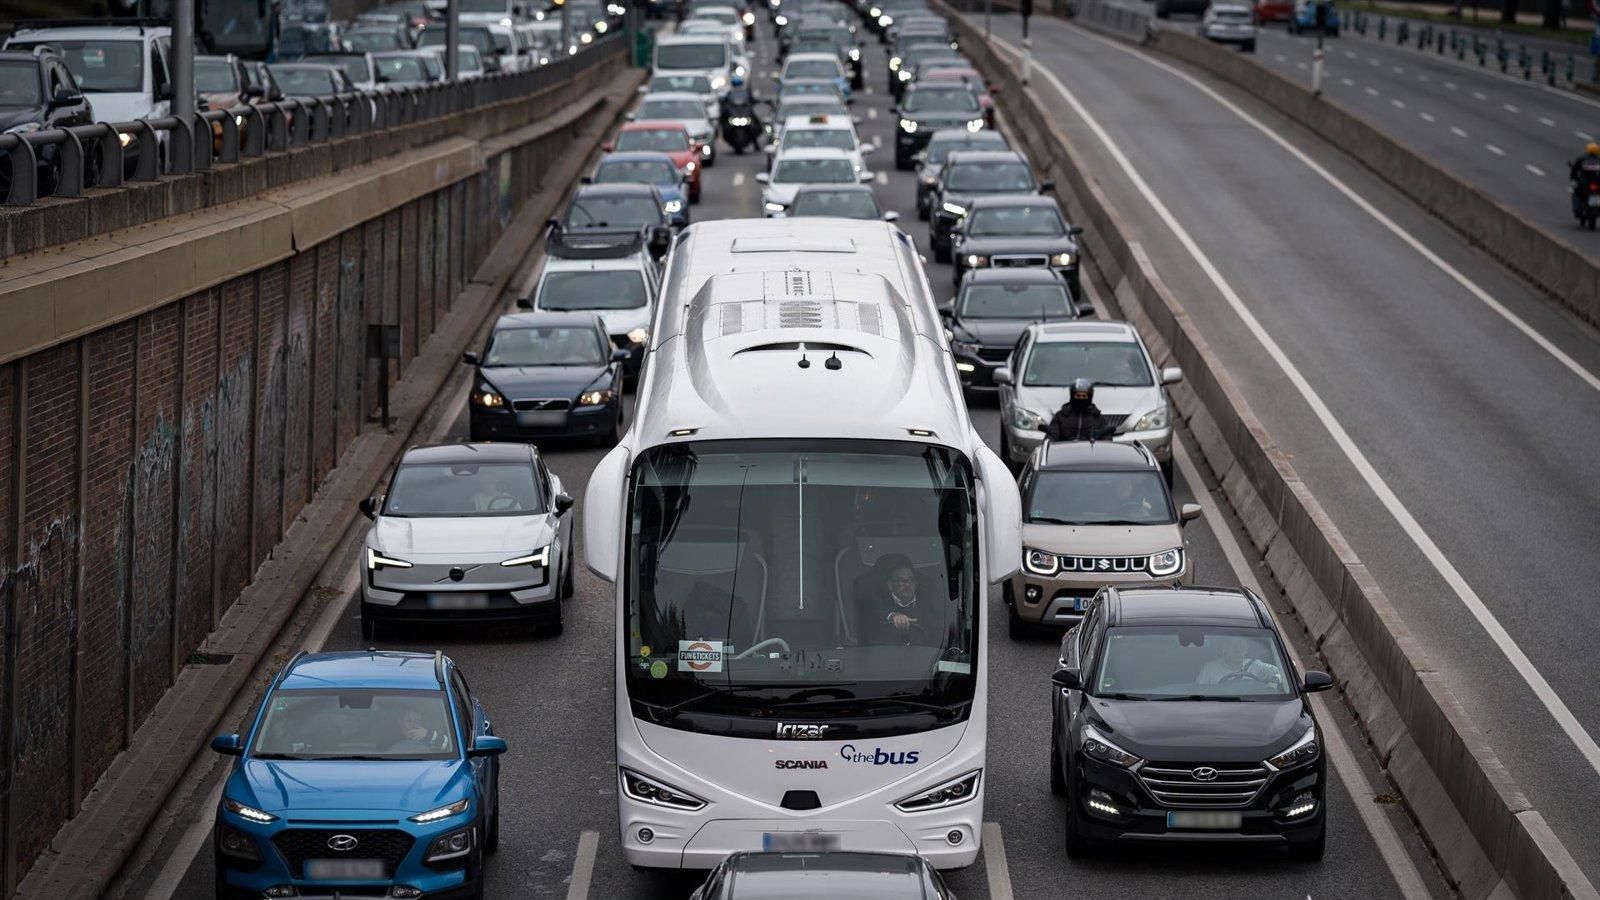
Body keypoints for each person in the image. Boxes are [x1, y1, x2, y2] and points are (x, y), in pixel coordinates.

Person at [859, 554, 946, 646]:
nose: (907, 584)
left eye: (911, 580)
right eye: (901, 580)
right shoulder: (876, 604)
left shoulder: (929, 606)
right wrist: (893, 615)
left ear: (916, 583)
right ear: (890, 585)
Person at [1196, 635, 1283, 687]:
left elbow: (1282, 672)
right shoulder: (1210, 668)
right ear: (1224, 649)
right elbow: (1198, 691)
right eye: (1234, 646)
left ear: (1246, 650)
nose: (1238, 650)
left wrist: (1274, 681)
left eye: (1242, 647)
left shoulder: (1255, 665)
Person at [1044, 378, 1115, 442]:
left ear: (1089, 397)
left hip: (1090, 453)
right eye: (1078, 396)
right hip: (1064, 452)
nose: (1081, 399)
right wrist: (1050, 436)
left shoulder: (1098, 418)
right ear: (1072, 396)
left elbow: (1106, 438)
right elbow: (1053, 435)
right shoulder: (1061, 416)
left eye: (1084, 396)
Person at [1570, 142, 1600, 218]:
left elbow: (1574, 169)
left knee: (1576, 192)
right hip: (1593, 183)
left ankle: (1577, 210)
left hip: (1586, 183)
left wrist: (1573, 178)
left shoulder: (1582, 159)